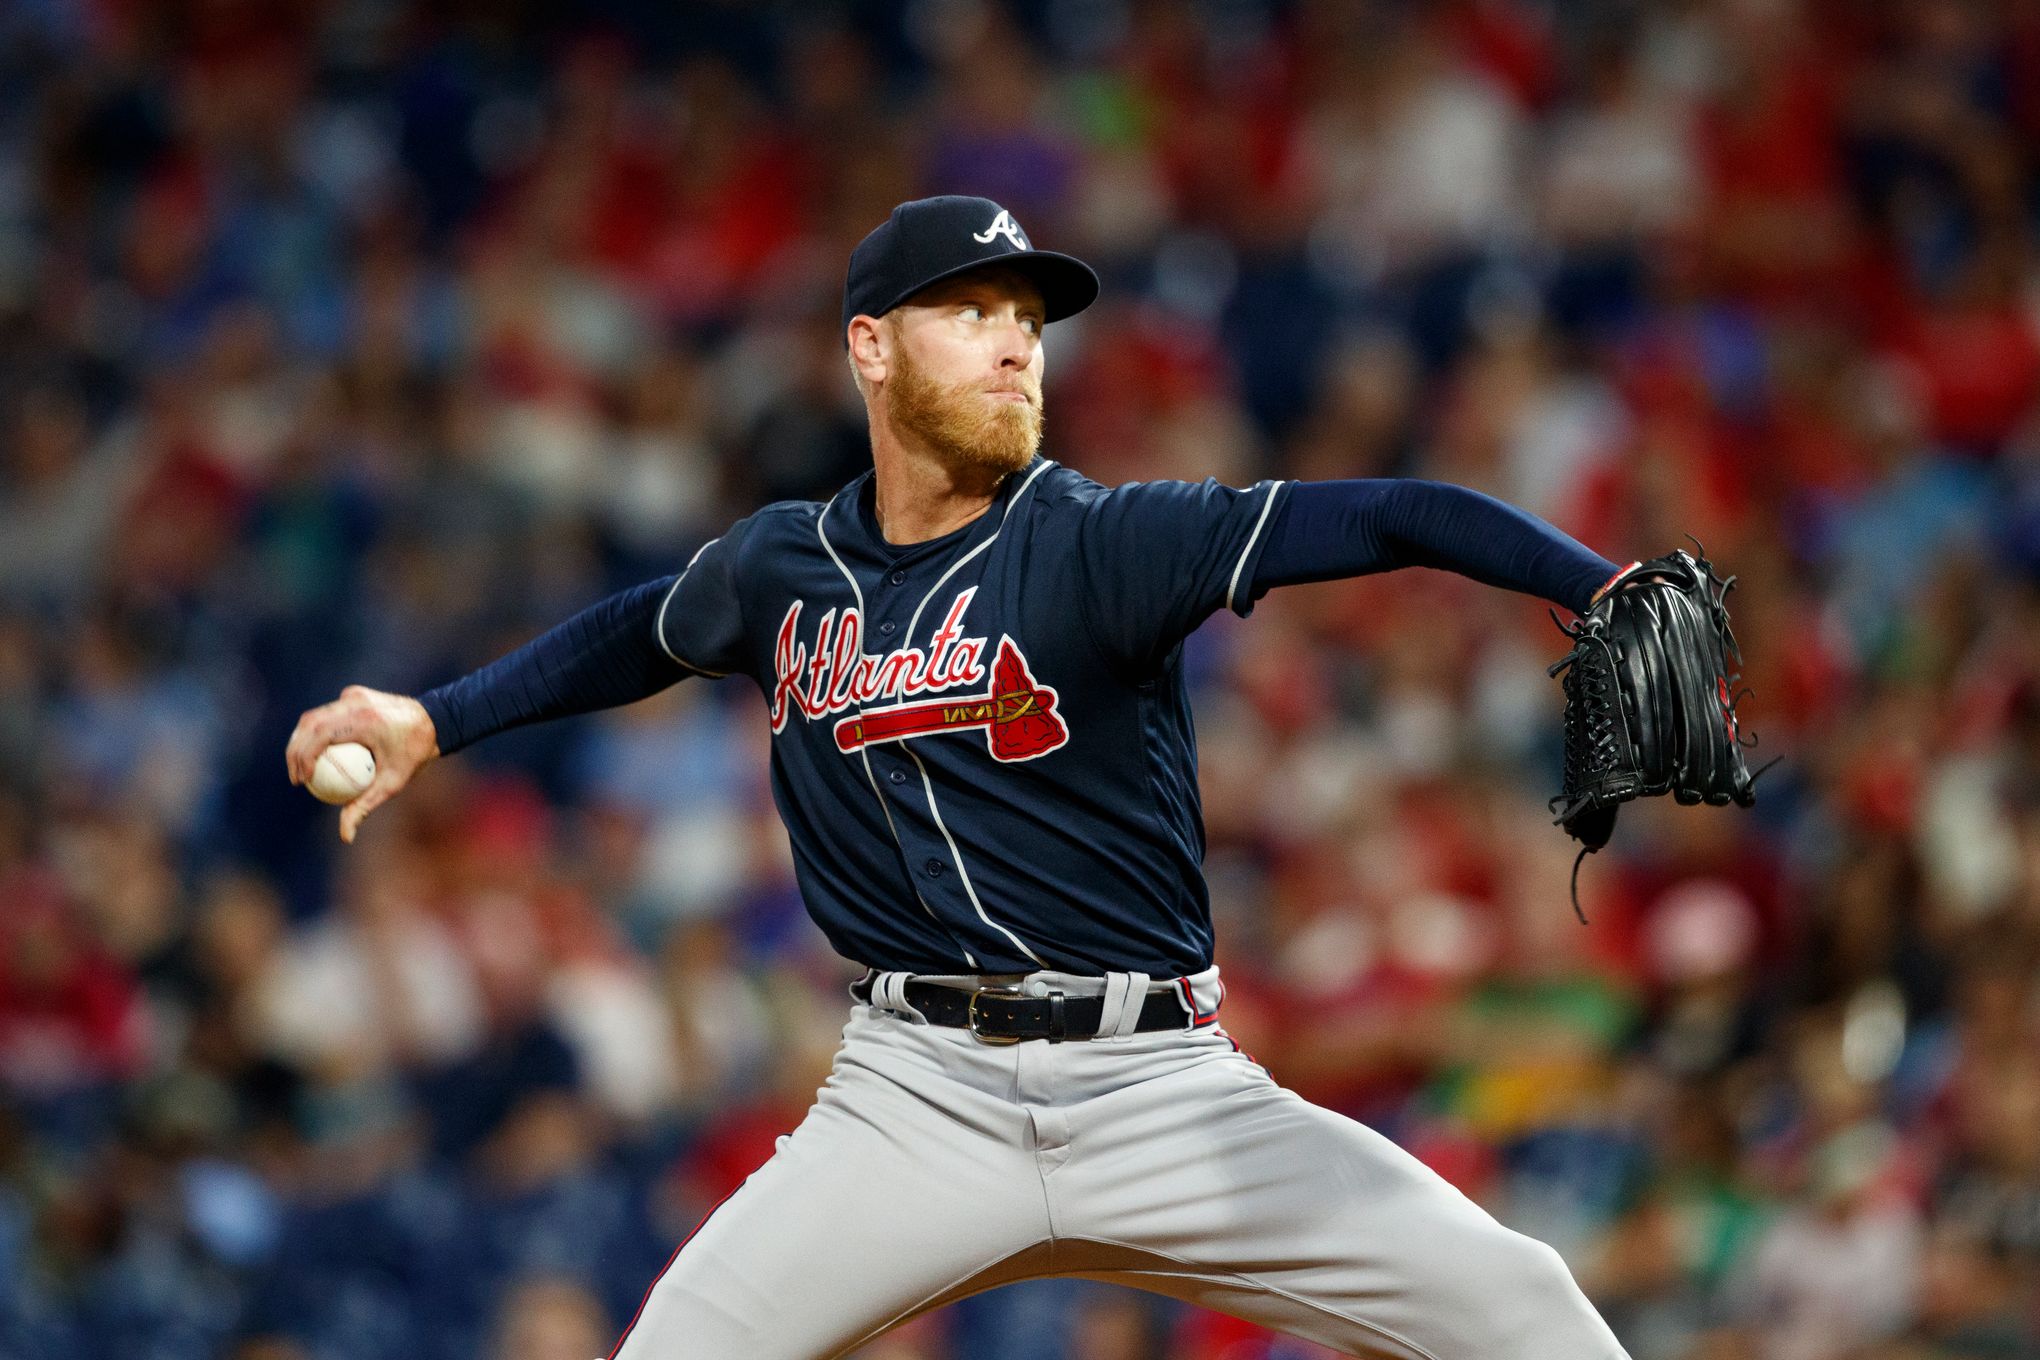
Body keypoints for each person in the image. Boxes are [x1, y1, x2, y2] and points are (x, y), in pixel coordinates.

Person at [287, 196, 1634, 1359]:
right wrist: (432, 719)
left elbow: (1393, 513)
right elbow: (637, 634)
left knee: (1522, 1305)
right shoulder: (781, 567)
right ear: (869, 347)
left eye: (1029, 319)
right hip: (913, 1096)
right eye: (969, 310)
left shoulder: (1106, 541)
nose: (1012, 341)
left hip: (1158, 1088)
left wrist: (1597, 585)